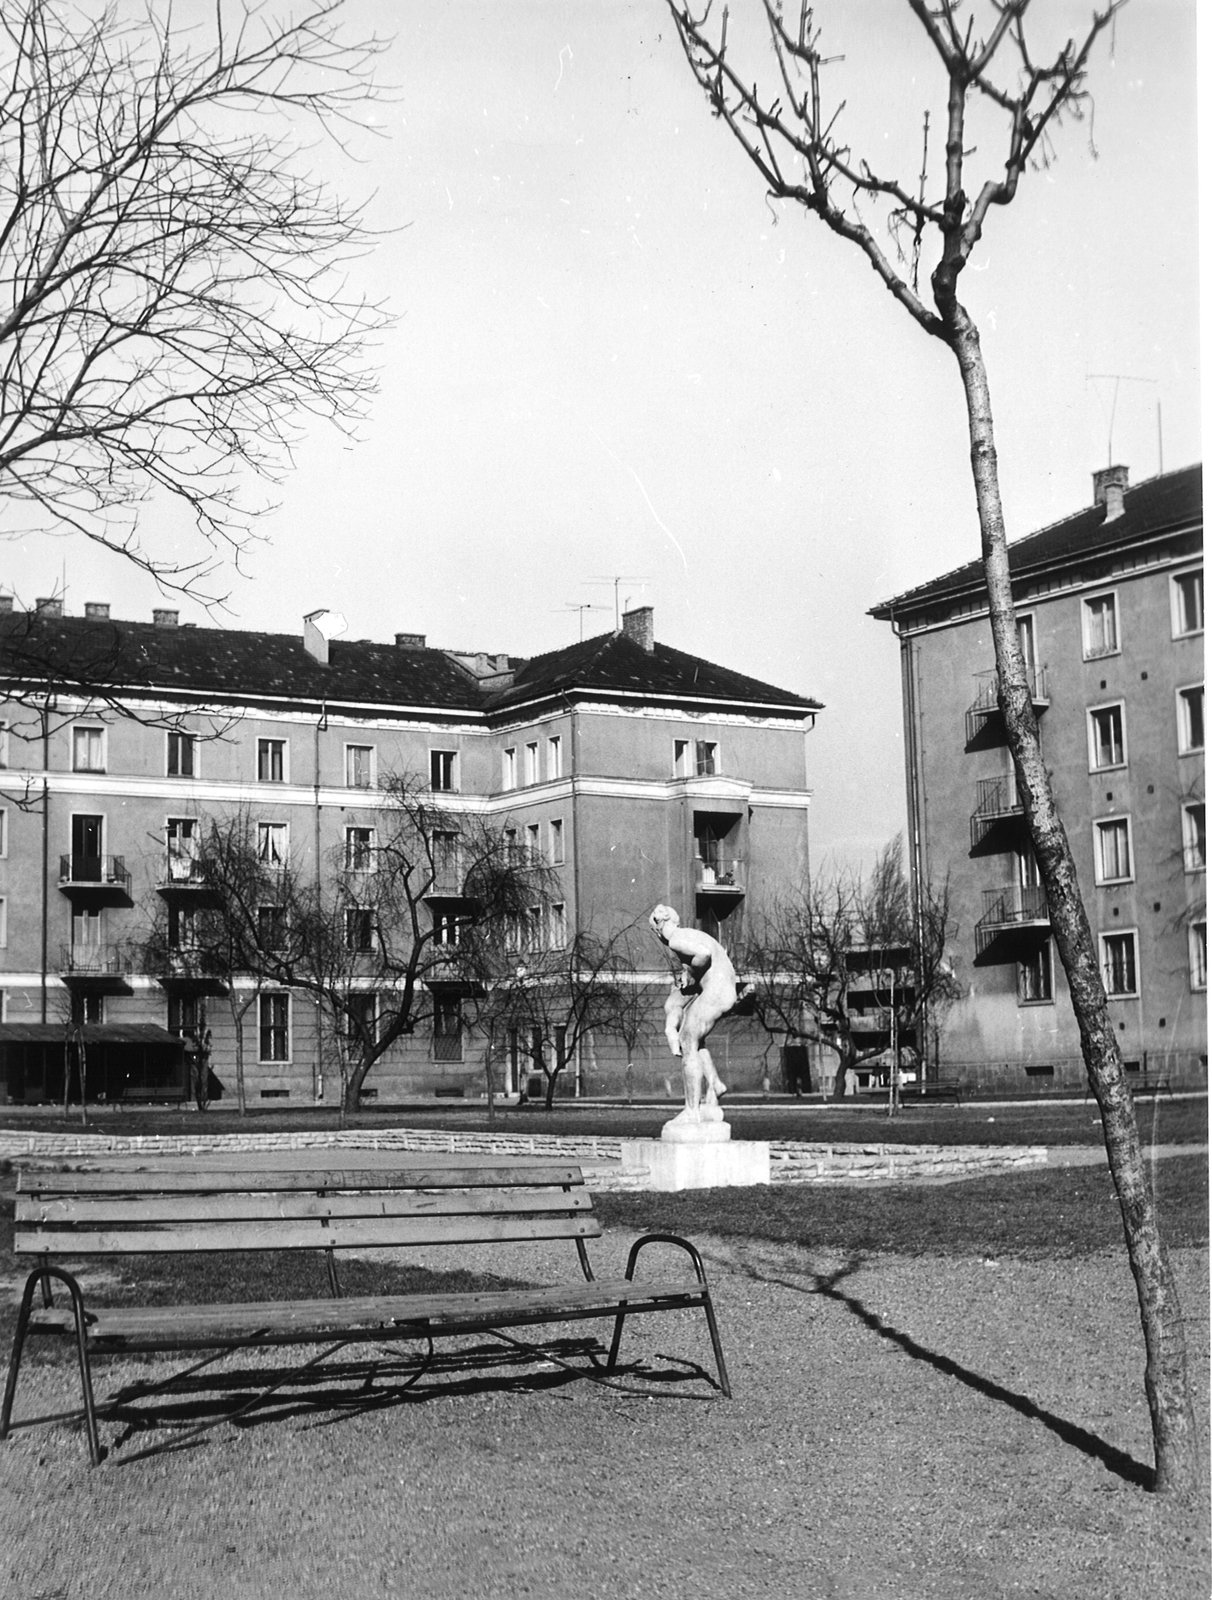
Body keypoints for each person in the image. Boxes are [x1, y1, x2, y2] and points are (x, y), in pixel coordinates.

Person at [649, 904, 738, 1124]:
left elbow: (704, 954)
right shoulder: (690, 933)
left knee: (687, 1039)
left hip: (716, 990)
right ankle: (715, 1083)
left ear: (659, 926)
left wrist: (691, 971)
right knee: (692, 1032)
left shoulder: (676, 939)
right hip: (720, 987)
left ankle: (692, 1111)